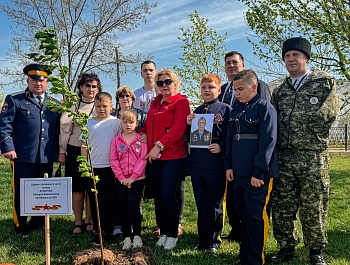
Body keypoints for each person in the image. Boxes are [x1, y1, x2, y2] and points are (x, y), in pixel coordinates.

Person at [270, 37, 340, 265]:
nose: (291, 59)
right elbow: (273, 120)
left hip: (312, 156)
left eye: (295, 55)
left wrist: (306, 131)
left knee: (314, 205)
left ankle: (315, 250)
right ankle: (286, 246)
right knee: (283, 205)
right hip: (285, 157)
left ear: (305, 58)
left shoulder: (324, 82)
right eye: (287, 56)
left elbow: (329, 113)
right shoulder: (280, 90)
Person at [0, 63, 61, 237]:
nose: (38, 84)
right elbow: (4, 126)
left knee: (42, 191)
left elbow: (57, 130)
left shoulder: (55, 104)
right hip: (22, 155)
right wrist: (7, 147)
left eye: (41, 80)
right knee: (20, 191)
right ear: (27, 80)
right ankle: (20, 225)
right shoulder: (15, 99)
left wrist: (59, 152)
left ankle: (38, 221)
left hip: (45, 156)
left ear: (47, 82)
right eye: (33, 80)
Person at [225, 69, 278, 265]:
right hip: (237, 172)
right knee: (242, 214)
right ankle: (245, 255)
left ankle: (256, 259)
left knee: (256, 216)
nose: (237, 93)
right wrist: (228, 165)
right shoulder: (236, 110)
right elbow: (230, 139)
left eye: (241, 89)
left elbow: (268, 141)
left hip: (257, 175)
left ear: (254, 87)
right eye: (235, 90)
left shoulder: (265, 108)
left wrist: (259, 171)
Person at [219, 51, 272, 243]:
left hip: (251, 156)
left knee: (251, 203)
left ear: (243, 64)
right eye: (228, 63)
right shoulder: (223, 89)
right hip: (230, 151)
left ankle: (251, 237)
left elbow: (263, 126)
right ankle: (236, 229)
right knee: (234, 197)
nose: (231, 66)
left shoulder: (260, 87)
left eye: (235, 62)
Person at [140, 68, 191, 250]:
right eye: (160, 83)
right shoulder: (155, 103)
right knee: (159, 196)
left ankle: (172, 233)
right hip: (155, 157)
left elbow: (178, 129)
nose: (163, 86)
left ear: (175, 83)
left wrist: (159, 146)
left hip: (173, 155)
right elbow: (149, 126)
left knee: (168, 194)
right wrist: (139, 134)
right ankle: (162, 232)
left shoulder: (181, 102)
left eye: (167, 82)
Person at [187, 74, 231, 254]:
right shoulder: (196, 111)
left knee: (214, 204)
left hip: (215, 165)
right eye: (204, 87)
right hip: (197, 163)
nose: (207, 90)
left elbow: (231, 136)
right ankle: (202, 239)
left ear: (219, 90)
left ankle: (213, 240)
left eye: (211, 87)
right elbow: (188, 137)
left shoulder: (226, 109)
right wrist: (187, 124)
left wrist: (221, 147)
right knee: (201, 203)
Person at [59, 72, 102, 234]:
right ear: (81, 87)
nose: (91, 89)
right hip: (75, 149)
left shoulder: (101, 104)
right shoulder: (73, 105)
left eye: (94, 86)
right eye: (88, 86)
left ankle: (89, 221)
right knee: (77, 188)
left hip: (94, 151)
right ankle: (78, 222)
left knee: (91, 186)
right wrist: (62, 151)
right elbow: (65, 130)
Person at [81, 92, 121, 245]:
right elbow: (84, 146)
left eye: (105, 106)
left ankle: (110, 231)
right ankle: (98, 231)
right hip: (93, 168)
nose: (101, 109)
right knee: (95, 201)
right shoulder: (89, 123)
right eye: (98, 106)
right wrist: (85, 166)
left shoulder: (116, 123)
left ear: (111, 106)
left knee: (110, 202)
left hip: (111, 168)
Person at [110, 110, 148, 250]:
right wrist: (121, 177)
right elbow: (113, 159)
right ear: (121, 123)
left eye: (131, 122)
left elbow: (143, 159)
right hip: (121, 180)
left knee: (133, 207)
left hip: (137, 180)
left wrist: (133, 177)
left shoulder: (141, 140)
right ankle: (127, 237)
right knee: (123, 207)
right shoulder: (116, 140)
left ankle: (137, 235)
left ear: (136, 123)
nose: (128, 125)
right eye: (125, 122)